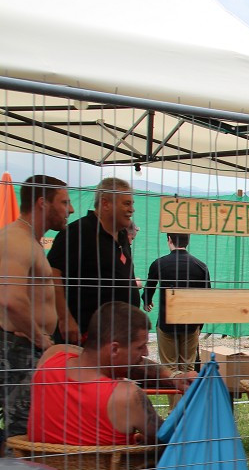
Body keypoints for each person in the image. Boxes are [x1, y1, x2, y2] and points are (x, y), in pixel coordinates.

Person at [27, 302, 193, 447]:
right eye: (140, 347)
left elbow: (87, 355)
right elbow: (167, 442)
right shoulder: (126, 395)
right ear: (114, 349)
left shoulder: (52, 356)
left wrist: (173, 377)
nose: (146, 352)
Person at [0, 175, 73, 445]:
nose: (71, 209)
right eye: (64, 202)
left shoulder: (29, 240)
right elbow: (10, 299)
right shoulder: (16, 240)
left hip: (25, 347)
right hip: (19, 348)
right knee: (21, 432)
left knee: (25, 428)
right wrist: (40, 338)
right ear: (43, 203)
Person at [49, 177, 141, 343]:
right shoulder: (78, 232)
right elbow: (53, 275)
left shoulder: (122, 237)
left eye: (132, 204)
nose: (132, 209)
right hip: (85, 338)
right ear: (105, 203)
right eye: (126, 204)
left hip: (117, 337)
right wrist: (65, 319)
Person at [142, 234, 211, 383]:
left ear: (169, 240)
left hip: (167, 322)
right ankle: (189, 405)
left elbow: (149, 287)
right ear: (188, 241)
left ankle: (174, 406)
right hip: (191, 324)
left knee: (170, 371)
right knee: (188, 368)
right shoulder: (200, 266)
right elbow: (207, 297)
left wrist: (147, 300)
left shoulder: (159, 264)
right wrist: (200, 325)